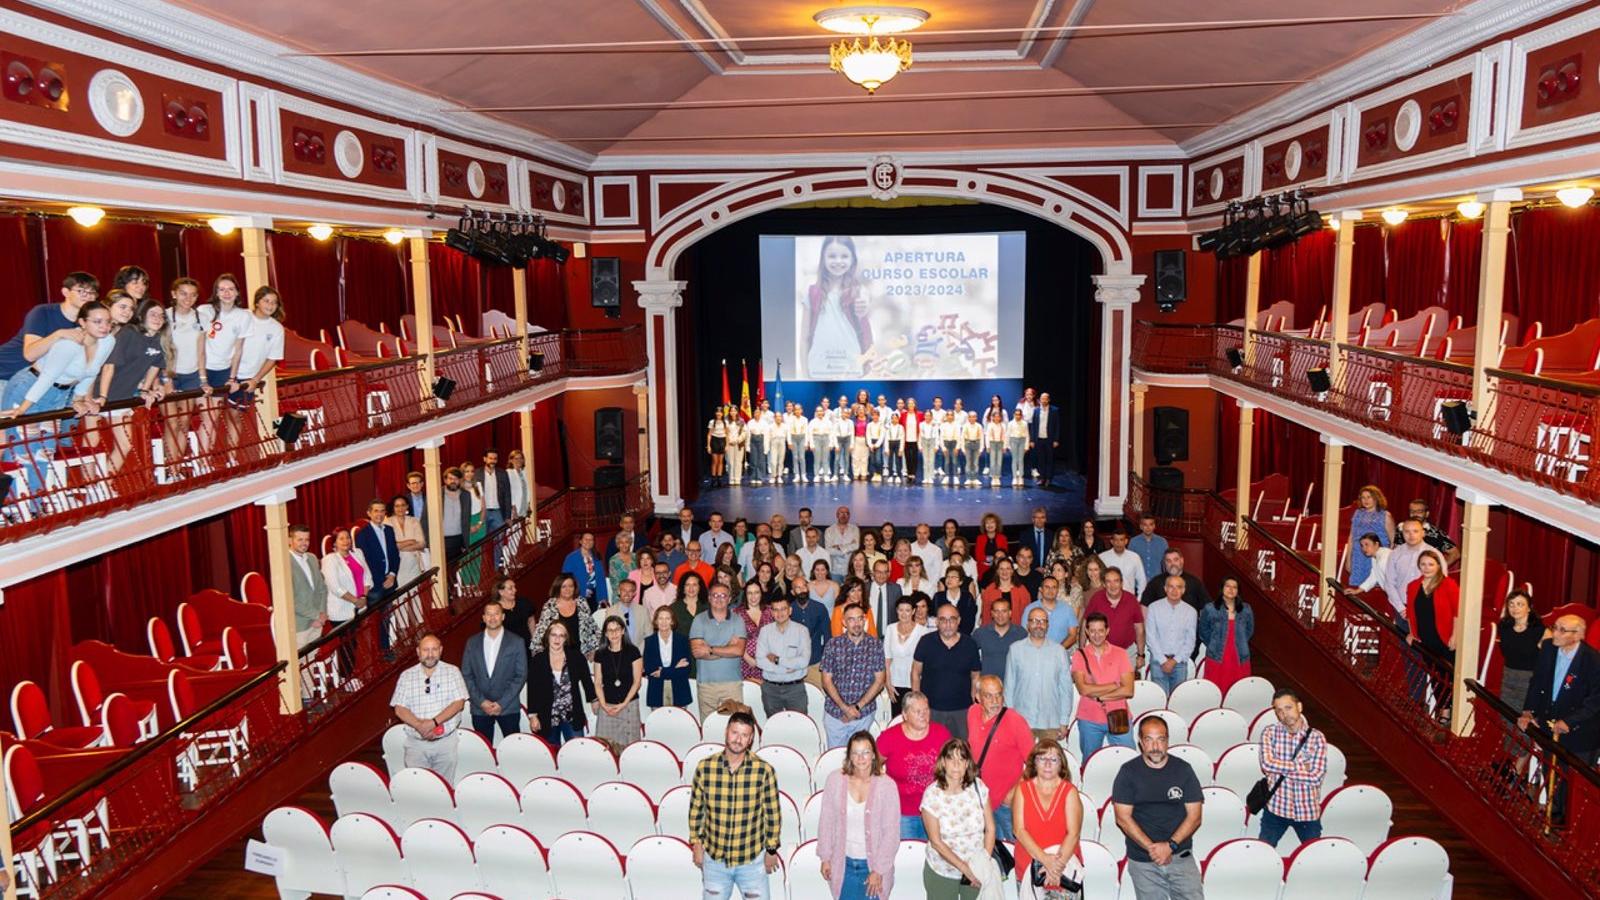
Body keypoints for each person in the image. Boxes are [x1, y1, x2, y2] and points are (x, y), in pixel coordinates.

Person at [689, 712, 783, 897]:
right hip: (714, 860)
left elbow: (772, 815)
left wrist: (771, 850)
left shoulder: (764, 770)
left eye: (744, 735)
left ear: (751, 739)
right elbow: (696, 810)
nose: (738, 740)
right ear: (726, 732)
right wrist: (696, 844)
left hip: (751, 861)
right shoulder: (705, 767)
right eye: (734, 733)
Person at [1112, 717, 1204, 900]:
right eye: (1149, 740)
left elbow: (1195, 817)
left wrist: (1170, 846)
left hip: (1180, 854)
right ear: (1140, 742)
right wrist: (1153, 849)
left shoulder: (1183, 769)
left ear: (1167, 741)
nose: (1155, 746)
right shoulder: (1128, 772)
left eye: (1160, 739)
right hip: (1143, 859)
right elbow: (1122, 818)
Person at [1519, 614, 1600, 822]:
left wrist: (1570, 721)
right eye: (1555, 627)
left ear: (1578, 635)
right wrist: (1529, 711)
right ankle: (1555, 813)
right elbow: (1537, 682)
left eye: (1562, 630)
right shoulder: (1548, 648)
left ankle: (1571, 822)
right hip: (1550, 722)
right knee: (1551, 770)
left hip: (1581, 731)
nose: (1555, 633)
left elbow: (1595, 701)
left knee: (1574, 782)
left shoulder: (1592, 660)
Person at [817, 732, 901, 900]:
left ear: (874, 755)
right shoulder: (835, 780)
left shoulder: (887, 786)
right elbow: (826, 821)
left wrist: (878, 870)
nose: (861, 758)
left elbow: (891, 833)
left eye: (865, 752)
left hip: (873, 868)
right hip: (842, 865)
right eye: (855, 753)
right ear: (849, 756)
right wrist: (825, 857)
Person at [920, 738, 1000, 899]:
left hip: (976, 868)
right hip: (942, 870)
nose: (956, 764)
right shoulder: (932, 795)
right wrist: (965, 869)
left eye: (961, 759)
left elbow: (990, 829)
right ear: (943, 762)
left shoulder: (978, 787)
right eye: (951, 758)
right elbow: (936, 842)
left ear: (967, 763)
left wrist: (982, 864)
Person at [0, 272, 99, 400]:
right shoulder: (43, 312)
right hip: (5, 373)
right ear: (65, 292)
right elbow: (30, 354)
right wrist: (59, 334)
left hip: (35, 382)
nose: (88, 296)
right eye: (82, 291)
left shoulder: (86, 323)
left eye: (92, 292)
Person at [389, 633, 468, 781]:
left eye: (434, 649)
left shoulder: (452, 672)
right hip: (416, 745)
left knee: (444, 787)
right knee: (418, 787)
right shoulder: (406, 676)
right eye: (426, 650)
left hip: (445, 744)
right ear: (418, 651)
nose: (430, 654)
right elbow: (399, 708)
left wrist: (433, 723)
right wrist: (420, 726)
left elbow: (459, 703)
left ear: (441, 650)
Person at [1010, 738, 1084, 896]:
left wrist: (1056, 867)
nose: (1048, 764)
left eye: (1054, 759)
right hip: (1029, 867)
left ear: (1061, 764)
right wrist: (1045, 860)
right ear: (1034, 763)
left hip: (1064, 868)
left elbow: (1073, 833)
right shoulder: (1022, 790)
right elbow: (1019, 830)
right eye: (1042, 758)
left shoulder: (1070, 791)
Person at [1257, 688, 1329, 848]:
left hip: (1307, 811)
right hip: (1276, 808)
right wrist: (1301, 766)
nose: (1284, 714)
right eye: (1279, 710)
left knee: (1314, 855)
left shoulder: (1317, 738)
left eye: (1288, 708)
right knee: (1262, 853)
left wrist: (1279, 766)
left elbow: (1316, 778)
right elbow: (1267, 764)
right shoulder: (1269, 733)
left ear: (1299, 707)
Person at [966, 675, 1034, 842]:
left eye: (998, 695)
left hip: (1006, 805)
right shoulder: (972, 713)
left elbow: (1035, 763)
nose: (995, 701)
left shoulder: (1015, 721)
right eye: (989, 696)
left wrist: (1013, 793)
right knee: (988, 852)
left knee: (1011, 851)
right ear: (978, 697)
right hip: (980, 801)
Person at [1071, 612, 1136, 760]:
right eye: (1092, 631)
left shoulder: (1121, 653)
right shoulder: (1079, 655)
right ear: (1086, 631)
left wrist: (1100, 697)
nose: (1097, 635)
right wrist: (1114, 685)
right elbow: (1083, 689)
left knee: (1128, 758)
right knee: (1090, 760)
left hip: (1119, 714)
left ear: (1107, 631)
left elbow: (1129, 690)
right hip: (1089, 718)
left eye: (1100, 630)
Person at [912, 603, 981, 740]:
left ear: (959, 621)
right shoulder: (926, 642)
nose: (948, 624)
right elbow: (915, 672)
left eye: (952, 619)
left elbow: (975, 677)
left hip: (962, 710)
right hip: (931, 709)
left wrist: (973, 704)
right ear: (937, 622)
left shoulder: (970, 644)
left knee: (961, 749)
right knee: (932, 748)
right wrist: (917, 702)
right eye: (943, 620)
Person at [462, 600, 528, 743]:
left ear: (503, 616)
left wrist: (502, 703)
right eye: (489, 614)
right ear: (484, 617)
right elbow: (466, 675)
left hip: (508, 707)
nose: (492, 618)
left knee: (513, 748)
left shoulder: (516, 642)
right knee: (483, 751)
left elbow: (521, 675)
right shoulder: (472, 643)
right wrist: (481, 702)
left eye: (496, 614)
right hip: (480, 708)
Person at [821, 605, 886, 748]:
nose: (856, 624)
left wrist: (857, 707)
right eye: (851, 620)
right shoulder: (833, 645)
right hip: (835, 714)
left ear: (865, 620)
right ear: (844, 622)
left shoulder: (875, 645)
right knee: (836, 756)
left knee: (859, 756)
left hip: (863, 714)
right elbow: (826, 681)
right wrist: (845, 708)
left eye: (859, 619)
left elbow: (880, 681)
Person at [1006, 607, 1075, 741]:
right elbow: (1009, 687)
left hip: (1050, 721)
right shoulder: (1015, 650)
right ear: (1027, 624)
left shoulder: (1059, 651)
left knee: (1049, 755)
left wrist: (1064, 721)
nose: (1039, 624)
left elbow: (1066, 689)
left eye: (1043, 621)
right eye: (1034, 621)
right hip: (1022, 720)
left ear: (1048, 625)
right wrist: (1010, 719)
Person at [1405, 549, 1459, 717]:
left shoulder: (1448, 584)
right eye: (1423, 564)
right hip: (1426, 639)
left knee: (1449, 675)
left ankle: (1454, 710)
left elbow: (1457, 612)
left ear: (1438, 566)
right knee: (1436, 676)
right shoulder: (1413, 586)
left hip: (1446, 637)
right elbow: (1410, 612)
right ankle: (1444, 712)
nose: (1426, 568)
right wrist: (1412, 633)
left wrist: (1455, 635)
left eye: (1431, 564)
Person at [528, 620, 596, 746]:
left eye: (561, 635)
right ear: (548, 636)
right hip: (547, 717)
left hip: (572, 715)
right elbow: (532, 689)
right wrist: (533, 716)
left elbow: (587, 681)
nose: (557, 639)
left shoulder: (576, 657)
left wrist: (594, 700)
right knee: (551, 754)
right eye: (553, 635)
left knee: (576, 752)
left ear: (566, 638)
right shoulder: (538, 660)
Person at [690, 584, 749, 720]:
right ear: (709, 598)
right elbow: (698, 652)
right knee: (709, 725)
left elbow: (738, 651)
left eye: (723, 595)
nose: (719, 599)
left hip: (732, 684)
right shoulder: (699, 620)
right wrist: (728, 646)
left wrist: (710, 649)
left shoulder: (738, 620)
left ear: (729, 599)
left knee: (735, 724)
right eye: (715, 595)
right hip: (706, 685)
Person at [592, 615, 644, 747]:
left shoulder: (633, 651)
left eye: (617, 629)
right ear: (605, 633)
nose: (614, 633)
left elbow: (637, 682)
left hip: (629, 705)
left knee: (630, 748)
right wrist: (603, 705)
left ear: (622, 631)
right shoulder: (600, 654)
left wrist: (624, 704)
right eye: (610, 630)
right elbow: (597, 682)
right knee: (605, 748)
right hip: (607, 707)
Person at [756, 595, 812, 716]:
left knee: (799, 724)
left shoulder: (802, 631)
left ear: (790, 610)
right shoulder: (765, 631)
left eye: (783, 609)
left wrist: (777, 660)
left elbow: (804, 661)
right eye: (776, 610)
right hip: (770, 689)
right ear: (771, 612)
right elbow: (760, 660)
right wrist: (788, 668)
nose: (779, 613)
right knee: (773, 724)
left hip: (795, 689)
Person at [1199, 576, 1255, 697]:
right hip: (1217, 656)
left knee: (1239, 691)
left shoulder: (1246, 609)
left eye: (1234, 587)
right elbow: (1203, 631)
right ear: (1222, 588)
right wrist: (1213, 643)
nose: (1231, 589)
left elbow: (1249, 630)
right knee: (1215, 690)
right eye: (1228, 586)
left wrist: (1241, 642)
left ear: (1238, 591)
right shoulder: (1210, 608)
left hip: (1239, 656)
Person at [1146, 575, 1199, 697]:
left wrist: (1174, 661)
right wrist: (1163, 660)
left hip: (1179, 663)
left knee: (1178, 700)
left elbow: (1190, 641)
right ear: (1165, 588)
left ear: (1183, 590)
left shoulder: (1191, 612)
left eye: (1178, 587)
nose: (1174, 591)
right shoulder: (1154, 608)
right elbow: (1151, 637)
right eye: (1171, 587)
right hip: (1158, 662)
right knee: (1159, 699)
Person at [198, 273, 251, 396]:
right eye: (222, 289)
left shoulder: (244, 316)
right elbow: (198, 346)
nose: (227, 293)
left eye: (231, 289)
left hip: (223, 370)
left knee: (216, 408)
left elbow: (238, 350)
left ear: (237, 292)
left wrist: (232, 378)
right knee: (202, 405)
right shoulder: (204, 310)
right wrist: (202, 378)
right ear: (216, 293)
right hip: (201, 368)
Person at [1497, 590, 1545, 712]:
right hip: (1508, 676)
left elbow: (1548, 660)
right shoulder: (1504, 626)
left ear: (1529, 608)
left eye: (1520, 604)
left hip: (1529, 680)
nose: (1515, 608)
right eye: (1511, 604)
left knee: (1524, 718)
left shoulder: (1539, 630)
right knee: (1506, 714)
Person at [532, 573, 601, 658]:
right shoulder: (550, 606)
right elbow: (540, 632)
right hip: (557, 654)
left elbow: (592, 627)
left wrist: (594, 650)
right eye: (564, 587)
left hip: (582, 653)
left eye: (570, 586)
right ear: (558, 588)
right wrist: (541, 656)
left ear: (574, 588)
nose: (567, 589)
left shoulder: (581, 602)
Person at [885, 594, 932, 717]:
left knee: (915, 716)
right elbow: (887, 659)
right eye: (901, 610)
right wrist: (888, 683)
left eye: (907, 610)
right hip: (895, 683)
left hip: (915, 683)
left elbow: (926, 661)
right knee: (897, 718)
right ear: (896, 611)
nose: (904, 614)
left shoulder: (923, 631)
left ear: (913, 611)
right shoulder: (890, 629)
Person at [287, 524, 328, 648]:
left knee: (314, 658)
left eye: (307, 539)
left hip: (317, 623)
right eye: (300, 539)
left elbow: (322, 589)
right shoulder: (284, 563)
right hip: (299, 626)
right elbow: (290, 600)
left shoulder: (312, 558)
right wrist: (316, 615)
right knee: (303, 660)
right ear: (290, 540)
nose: (304, 543)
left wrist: (321, 614)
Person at [1346, 485, 1395, 588]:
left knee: (1375, 585)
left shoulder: (1385, 515)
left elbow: (1392, 541)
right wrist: (1348, 559)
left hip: (1376, 556)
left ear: (1376, 498)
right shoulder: (1358, 513)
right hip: (1358, 556)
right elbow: (1351, 537)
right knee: (1358, 586)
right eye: (1363, 497)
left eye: (1369, 497)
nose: (1366, 500)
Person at [644, 606, 692, 710]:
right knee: (658, 721)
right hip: (656, 692)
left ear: (672, 621)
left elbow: (686, 669)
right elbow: (649, 670)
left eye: (667, 618)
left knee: (679, 720)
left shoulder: (682, 640)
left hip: (680, 691)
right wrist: (675, 668)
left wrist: (662, 672)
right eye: (660, 618)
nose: (664, 622)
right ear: (656, 621)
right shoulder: (649, 641)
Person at [355, 500, 401, 604]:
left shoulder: (389, 530)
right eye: (376, 511)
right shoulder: (362, 535)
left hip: (390, 582)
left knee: (390, 612)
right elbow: (364, 562)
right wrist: (382, 581)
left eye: (382, 511)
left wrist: (392, 575)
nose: (379, 514)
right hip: (374, 586)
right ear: (369, 513)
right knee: (375, 614)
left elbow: (395, 555)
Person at [972, 597, 1025, 679]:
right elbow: (970, 658)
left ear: (1010, 613)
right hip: (988, 683)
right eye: (996, 611)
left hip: (1013, 683)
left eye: (1004, 611)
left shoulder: (1021, 634)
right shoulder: (980, 633)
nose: (1000, 615)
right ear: (992, 613)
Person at [1396, 497, 1460, 565]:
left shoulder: (1435, 533)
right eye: (1412, 511)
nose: (1415, 514)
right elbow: (1395, 549)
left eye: (1419, 511)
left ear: (1427, 514)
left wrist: (1439, 568)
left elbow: (1455, 554)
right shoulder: (1401, 528)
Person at [1025, 576, 1080, 649]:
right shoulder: (1030, 609)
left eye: (1054, 587)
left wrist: (1057, 651)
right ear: (1041, 589)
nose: (1050, 590)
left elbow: (1073, 635)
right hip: (1034, 652)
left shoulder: (1067, 609)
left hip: (1060, 653)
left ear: (1058, 590)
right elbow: (1024, 633)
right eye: (1047, 587)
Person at [736, 580, 774, 682]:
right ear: (745, 595)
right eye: (750, 593)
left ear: (761, 593)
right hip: (745, 663)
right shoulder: (737, 613)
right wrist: (748, 659)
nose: (753, 596)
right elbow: (734, 639)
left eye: (756, 592)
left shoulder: (770, 611)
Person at [563, 532, 611, 609]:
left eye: (591, 540)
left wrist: (603, 597)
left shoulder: (596, 556)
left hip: (595, 595)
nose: (588, 541)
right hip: (578, 594)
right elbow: (566, 579)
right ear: (580, 541)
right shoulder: (571, 558)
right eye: (586, 539)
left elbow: (601, 579)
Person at [387, 495, 426, 587]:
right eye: (397, 506)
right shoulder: (387, 522)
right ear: (393, 508)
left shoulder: (414, 521)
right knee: (400, 591)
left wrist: (399, 546)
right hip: (396, 563)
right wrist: (410, 541)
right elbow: (389, 546)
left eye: (403, 505)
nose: (400, 508)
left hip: (414, 562)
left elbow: (422, 544)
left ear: (407, 506)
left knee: (414, 591)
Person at [979, 559, 1029, 628]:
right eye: (1001, 569)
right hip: (995, 630)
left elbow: (1026, 614)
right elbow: (986, 614)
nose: (1004, 572)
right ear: (997, 571)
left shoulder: (1022, 590)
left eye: (1008, 569)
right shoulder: (989, 590)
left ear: (1012, 571)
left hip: (1017, 630)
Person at [1099, 530, 1148, 598]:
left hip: (1129, 598)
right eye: (1116, 540)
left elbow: (1142, 581)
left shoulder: (1135, 557)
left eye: (1121, 540)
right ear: (1112, 541)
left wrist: (1138, 599)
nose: (1118, 543)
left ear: (1126, 541)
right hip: (1108, 598)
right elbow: (1099, 580)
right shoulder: (1102, 557)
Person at [475, 448, 513, 537]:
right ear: (484, 459)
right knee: (481, 539)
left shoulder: (503, 473)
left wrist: (508, 516)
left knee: (500, 538)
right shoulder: (476, 474)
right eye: (490, 458)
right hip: (482, 513)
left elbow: (507, 495)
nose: (493, 461)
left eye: (495, 459)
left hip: (497, 512)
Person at [439, 467, 472, 561]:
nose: (453, 481)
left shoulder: (466, 495)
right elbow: (425, 519)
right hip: (441, 539)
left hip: (458, 538)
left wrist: (465, 542)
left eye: (456, 479)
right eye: (450, 478)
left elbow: (467, 518)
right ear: (445, 480)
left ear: (460, 480)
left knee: (455, 567)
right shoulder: (437, 494)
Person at [490, 575, 536, 645]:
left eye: (514, 587)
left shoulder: (523, 602)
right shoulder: (494, 610)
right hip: (511, 648)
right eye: (510, 588)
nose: (515, 590)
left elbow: (531, 620)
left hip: (529, 645)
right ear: (501, 592)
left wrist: (534, 639)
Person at [934, 566, 979, 635]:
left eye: (953, 577)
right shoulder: (938, 596)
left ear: (960, 582)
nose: (949, 579)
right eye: (947, 577)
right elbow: (936, 618)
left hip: (963, 635)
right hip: (942, 634)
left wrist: (958, 636)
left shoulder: (967, 597)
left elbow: (970, 621)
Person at [865, 559, 902, 637]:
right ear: (873, 572)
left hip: (889, 636)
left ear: (889, 573)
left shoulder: (896, 589)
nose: (882, 575)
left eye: (885, 572)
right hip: (867, 635)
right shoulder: (864, 588)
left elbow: (899, 612)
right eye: (879, 572)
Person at [1030, 392, 1059, 489]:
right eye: (1042, 398)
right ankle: (1042, 478)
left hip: (1049, 439)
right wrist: (1032, 440)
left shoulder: (1054, 410)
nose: (1043, 400)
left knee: (1050, 459)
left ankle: (1049, 479)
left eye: (1045, 398)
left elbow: (1057, 426)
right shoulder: (1036, 410)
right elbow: (1033, 426)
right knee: (1041, 460)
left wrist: (1056, 439)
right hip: (1038, 439)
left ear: (1048, 400)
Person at [1129, 516, 1169, 586]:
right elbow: (1130, 563)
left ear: (1154, 526)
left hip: (1158, 582)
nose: (1148, 527)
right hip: (1138, 583)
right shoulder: (1133, 542)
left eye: (1151, 524)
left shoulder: (1162, 542)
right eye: (1145, 525)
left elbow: (1167, 563)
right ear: (1141, 526)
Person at [825, 506, 861, 577]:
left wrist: (838, 547)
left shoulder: (855, 529)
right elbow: (828, 550)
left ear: (849, 516)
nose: (844, 515)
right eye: (841, 513)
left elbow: (856, 546)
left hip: (850, 569)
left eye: (846, 513)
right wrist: (848, 547)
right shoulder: (829, 530)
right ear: (837, 515)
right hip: (834, 570)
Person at [1004, 410, 1030, 487]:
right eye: (1016, 414)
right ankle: (1015, 477)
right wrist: (1006, 446)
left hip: (1022, 441)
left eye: (1019, 415)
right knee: (1014, 459)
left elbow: (1027, 434)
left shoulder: (1024, 423)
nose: (1018, 416)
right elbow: (1007, 435)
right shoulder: (1010, 423)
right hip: (1013, 441)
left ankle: (1021, 477)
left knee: (1021, 460)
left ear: (1021, 415)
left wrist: (1026, 446)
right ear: (1014, 415)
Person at [706, 406, 729, 486]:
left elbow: (727, 434)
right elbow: (709, 435)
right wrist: (708, 446)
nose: (719, 413)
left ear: (722, 413)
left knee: (720, 461)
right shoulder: (712, 422)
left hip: (722, 441)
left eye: (720, 412)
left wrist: (727, 445)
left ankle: (719, 478)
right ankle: (713, 479)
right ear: (715, 413)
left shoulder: (725, 422)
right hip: (715, 441)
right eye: (717, 412)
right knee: (714, 461)